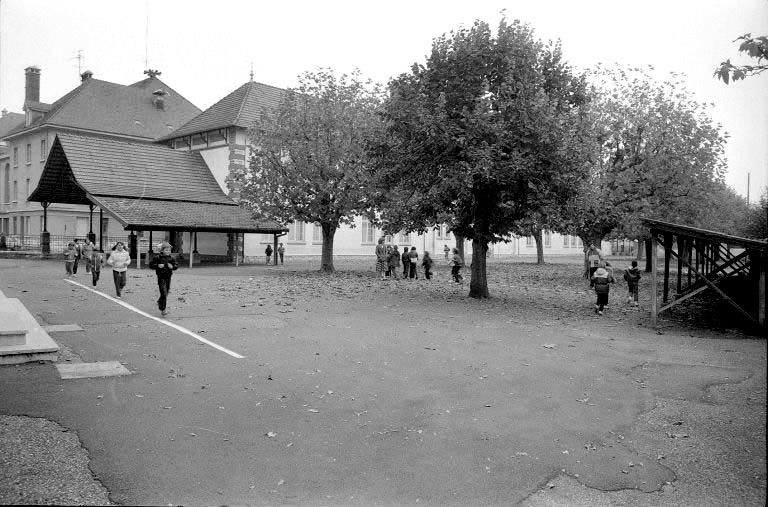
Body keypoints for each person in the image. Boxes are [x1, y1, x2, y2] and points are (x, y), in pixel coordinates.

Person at [149, 242, 178, 316]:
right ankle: (163, 309)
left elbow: (176, 266)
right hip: (161, 277)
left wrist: (173, 267)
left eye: (169, 250)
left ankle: (159, 301)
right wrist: (158, 266)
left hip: (168, 277)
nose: (168, 251)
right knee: (164, 293)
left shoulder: (172, 258)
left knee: (166, 292)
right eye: (166, 250)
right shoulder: (157, 257)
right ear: (162, 250)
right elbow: (151, 265)